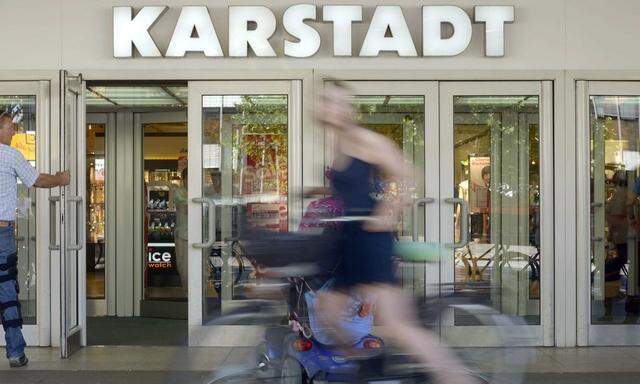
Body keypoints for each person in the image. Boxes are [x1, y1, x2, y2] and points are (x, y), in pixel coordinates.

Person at [316, 83, 476, 384]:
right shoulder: (338, 143)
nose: (329, 108)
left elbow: (406, 174)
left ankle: (457, 378)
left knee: (397, 323)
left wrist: (387, 211)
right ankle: (369, 371)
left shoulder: (362, 138)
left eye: (336, 103)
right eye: (325, 102)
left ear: (349, 109)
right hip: (350, 239)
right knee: (329, 311)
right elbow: (354, 188)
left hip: (371, 240)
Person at [0, 112, 70, 367]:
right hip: (2, 232)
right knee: (6, 288)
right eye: (9, 128)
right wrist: (62, 179)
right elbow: (36, 180)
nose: (13, 132)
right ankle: (16, 352)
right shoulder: (9, 154)